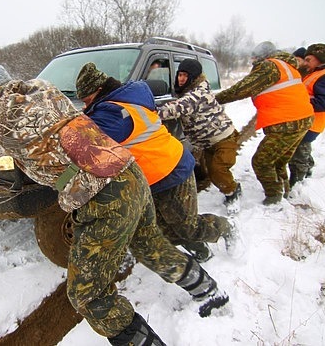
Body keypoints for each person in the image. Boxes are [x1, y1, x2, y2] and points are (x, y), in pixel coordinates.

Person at [0, 59, 229, 345]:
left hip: (102, 193)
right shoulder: (43, 88)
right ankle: (208, 290)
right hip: (130, 173)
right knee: (150, 245)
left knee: (86, 293)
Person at [75, 62, 242, 261]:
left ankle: (225, 227)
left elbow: (84, 143)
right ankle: (201, 250)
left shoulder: (112, 114)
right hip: (150, 178)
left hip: (172, 170)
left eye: (87, 100)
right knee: (162, 229)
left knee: (188, 227)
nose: (85, 107)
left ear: (100, 90)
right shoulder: (124, 99)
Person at [215, 41, 314, 205]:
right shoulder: (286, 65)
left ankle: (274, 198)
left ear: (263, 56)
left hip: (287, 123)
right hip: (301, 120)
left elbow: (241, 89)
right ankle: (284, 192)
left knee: (261, 162)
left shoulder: (270, 66)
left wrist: (214, 99)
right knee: (278, 161)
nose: (253, 61)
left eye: (255, 57)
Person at [157, 58, 242, 214]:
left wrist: (150, 112)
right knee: (211, 171)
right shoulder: (187, 92)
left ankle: (233, 193)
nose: (181, 79)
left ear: (193, 77)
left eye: (185, 75)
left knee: (218, 170)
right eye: (179, 75)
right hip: (208, 142)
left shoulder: (198, 94)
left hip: (224, 138)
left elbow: (179, 107)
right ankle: (228, 186)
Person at [288, 43, 325, 186]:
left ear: (319, 59)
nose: (305, 62)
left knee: (298, 153)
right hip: (305, 120)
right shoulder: (316, 73)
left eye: (308, 59)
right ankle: (306, 171)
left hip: (311, 123)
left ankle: (297, 183)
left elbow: (324, 103)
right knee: (301, 149)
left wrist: (297, 101)